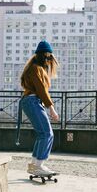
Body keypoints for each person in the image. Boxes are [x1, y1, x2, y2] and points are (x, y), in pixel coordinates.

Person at [19, 41, 59, 176]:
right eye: (48, 57)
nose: (49, 61)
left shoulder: (36, 68)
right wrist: (51, 108)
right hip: (32, 101)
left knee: (43, 134)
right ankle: (38, 165)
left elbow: (41, 91)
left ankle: (35, 164)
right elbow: (41, 90)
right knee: (47, 133)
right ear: (43, 55)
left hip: (32, 101)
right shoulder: (35, 68)